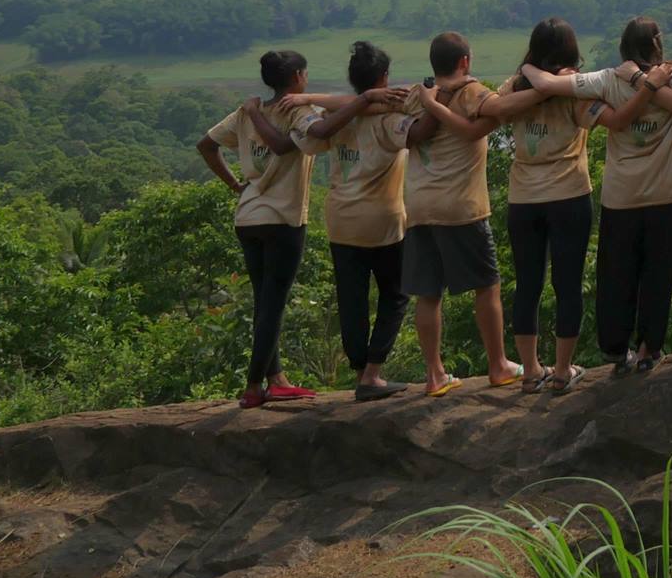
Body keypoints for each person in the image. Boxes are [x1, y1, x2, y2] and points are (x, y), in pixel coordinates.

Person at [515, 18, 672, 373]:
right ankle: (650, 350)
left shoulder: (605, 80)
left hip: (622, 195)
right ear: (656, 43)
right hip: (669, 190)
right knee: (660, 274)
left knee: (617, 275)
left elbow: (545, 82)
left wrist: (527, 63)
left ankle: (617, 352)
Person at [196, 49, 331, 410]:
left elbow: (206, 146)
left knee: (264, 300)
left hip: (248, 216)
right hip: (283, 218)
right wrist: (256, 113)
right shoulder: (297, 112)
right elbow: (284, 146)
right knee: (274, 303)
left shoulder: (244, 112)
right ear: (299, 76)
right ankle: (254, 385)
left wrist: (234, 186)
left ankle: (277, 378)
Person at [480, 18, 602, 394]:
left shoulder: (516, 85)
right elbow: (597, 116)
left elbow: (494, 108)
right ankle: (563, 370)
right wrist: (553, 89)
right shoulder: (573, 88)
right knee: (567, 285)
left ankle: (531, 370)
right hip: (568, 193)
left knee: (528, 285)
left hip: (524, 198)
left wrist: (534, 82)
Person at [402, 32, 520, 397]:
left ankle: (434, 374)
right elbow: (497, 111)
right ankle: (498, 365)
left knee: (427, 293)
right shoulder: (472, 93)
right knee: (487, 285)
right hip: (461, 206)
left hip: (418, 206)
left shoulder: (415, 95)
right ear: (465, 61)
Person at [296, 40, 414, 401]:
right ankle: (373, 373)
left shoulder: (334, 121)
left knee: (352, 299)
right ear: (384, 77)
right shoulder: (390, 118)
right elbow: (420, 120)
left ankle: (361, 372)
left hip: (341, 220)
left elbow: (315, 130)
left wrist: (316, 99)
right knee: (396, 295)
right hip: (383, 224)